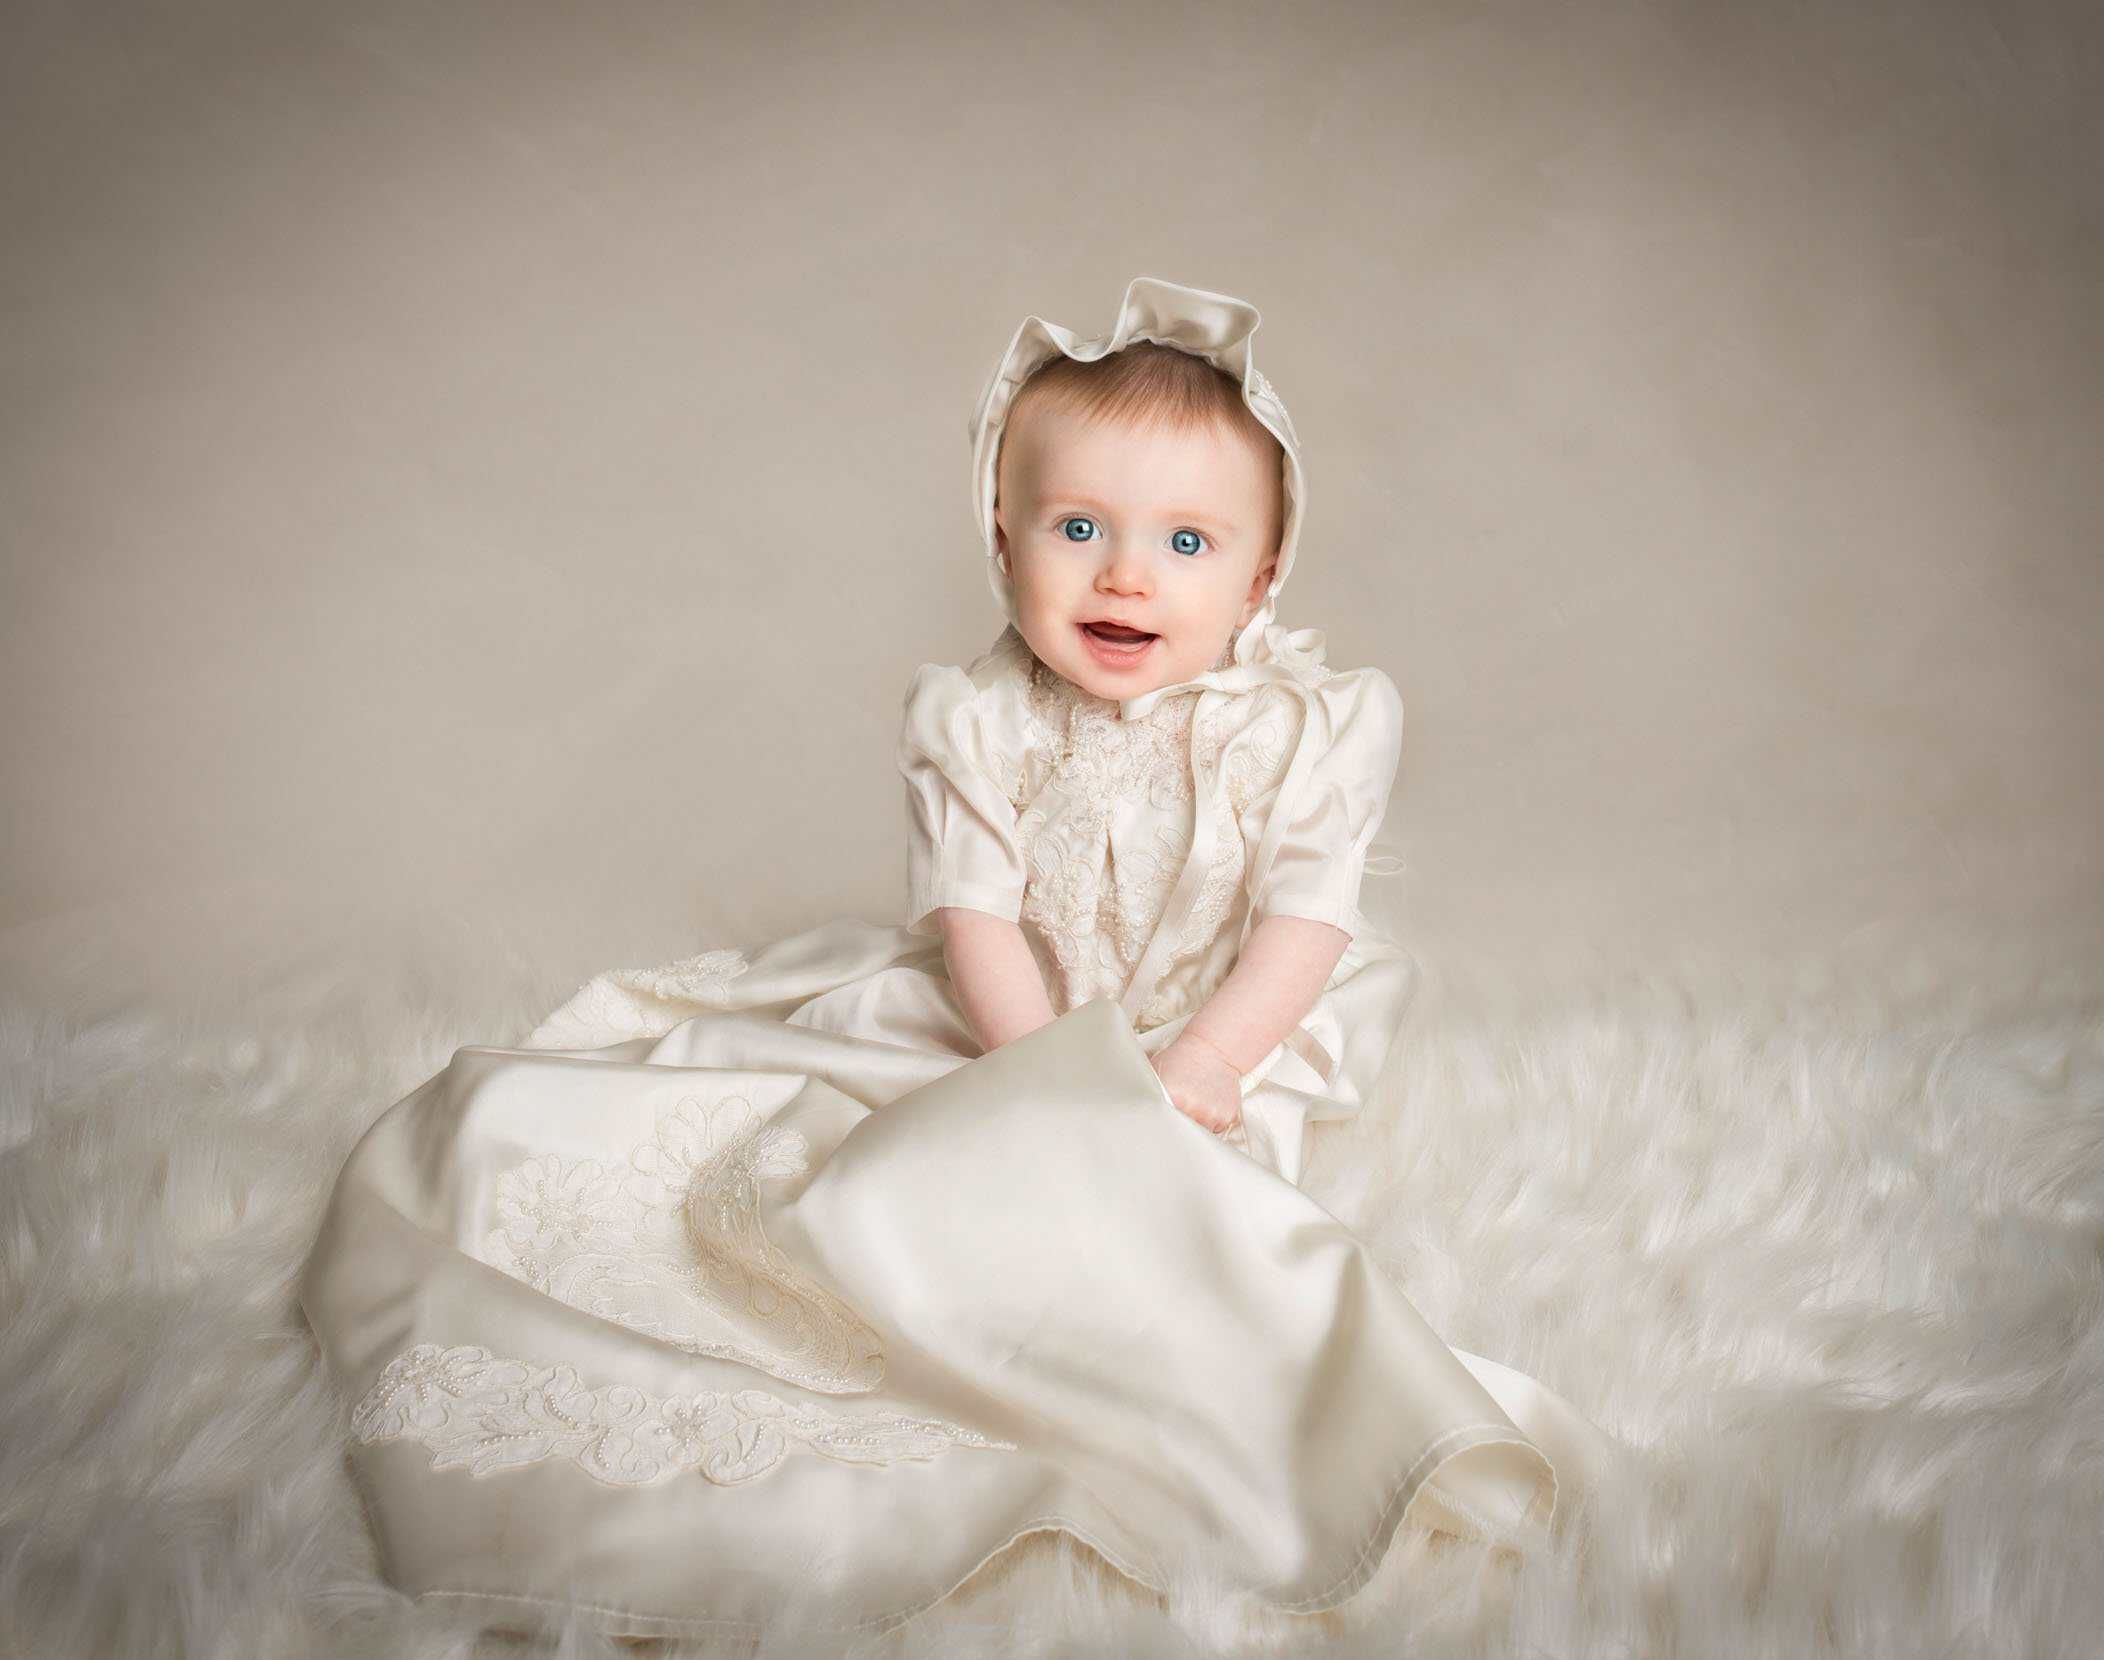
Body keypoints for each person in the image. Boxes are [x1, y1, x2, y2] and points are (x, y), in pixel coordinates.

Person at [300, 276, 1614, 1642]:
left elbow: (1305, 924)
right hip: (1013, 1013)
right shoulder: (978, 717)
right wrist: (1047, 1078)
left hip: (1231, 1018)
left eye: (1187, 542)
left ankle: (1266, 1434)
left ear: (1264, 575)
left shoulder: (1309, 729)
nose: (1125, 575)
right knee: (867, 1171)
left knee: (1187, 1230)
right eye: (1079, 528)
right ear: (1003, 538)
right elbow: (977, 920)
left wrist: (1209, 1060)